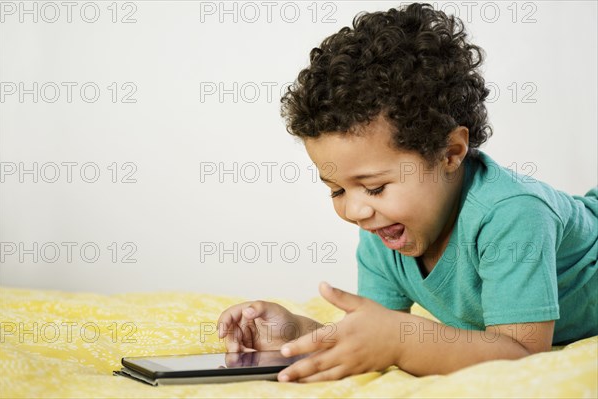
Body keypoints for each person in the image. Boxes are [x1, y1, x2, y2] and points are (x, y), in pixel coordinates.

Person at [217, 2, 598, 382]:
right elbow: (374, 334)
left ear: (450, 153)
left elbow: (522, 354)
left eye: (374, 187)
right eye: (336, 191)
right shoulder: (385, 234)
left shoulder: (513, 213)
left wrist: (402, 342)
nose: (355, 210)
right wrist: (295, 334)